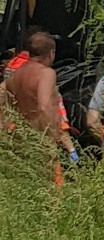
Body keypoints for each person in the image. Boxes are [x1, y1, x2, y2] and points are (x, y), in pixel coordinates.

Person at [5, 31, 79, 175]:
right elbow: (44, 106)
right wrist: (54, 137)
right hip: (42, 141)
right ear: (51, 53)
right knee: (53, 190)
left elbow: (2, 93)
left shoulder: (17, 74)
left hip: (22, 139)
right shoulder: (46, 73)